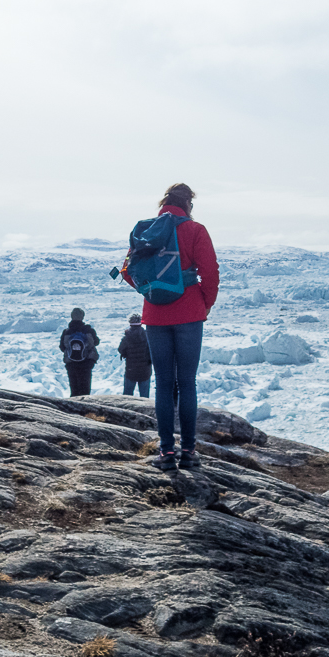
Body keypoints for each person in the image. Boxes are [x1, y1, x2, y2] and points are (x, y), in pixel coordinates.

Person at [124, 183, 219, 471]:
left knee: (163, 384)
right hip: (189, 313)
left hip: (155, 316)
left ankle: (166, 453)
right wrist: (204, 303)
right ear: (189, 203)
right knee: (186, 382)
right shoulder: (195, 230)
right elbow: (210, 271)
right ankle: (188, 452)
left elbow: (129, 271)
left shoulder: (146, 231)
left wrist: (151, 291)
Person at [59, 307, 99, 396]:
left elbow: (62, 347)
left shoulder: (66, 332)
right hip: (86, 363)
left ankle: (73, 408)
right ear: (82, 317)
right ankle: (85, 408)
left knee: (74, 390)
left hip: (71, 363)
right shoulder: (88, 330)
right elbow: (96, 342)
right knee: (85, 390)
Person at [118, 312, 152, 397]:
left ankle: (126, 410)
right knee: (144, 397)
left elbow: (120, 349)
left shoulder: (127, 337)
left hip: (131, 370)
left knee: (127, 396)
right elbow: (152, 352)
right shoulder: (147, 335)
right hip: (145, 371)